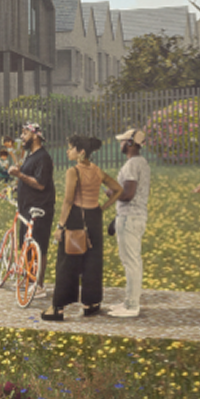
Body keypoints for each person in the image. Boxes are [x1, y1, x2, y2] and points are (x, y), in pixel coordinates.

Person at [41, 134, 122, 323]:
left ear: (81, 152)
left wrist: (60, 226)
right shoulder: (97, 170)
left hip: (77, 217)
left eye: (71, 148)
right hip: (94, 217)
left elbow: (68, 201)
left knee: (67, 262)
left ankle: (58, 308)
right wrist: (103, 207)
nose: (67, 151)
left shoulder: (73, 171)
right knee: (92, 261)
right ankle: (91, 304)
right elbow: (118, 189)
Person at [7, 121, 55, 296]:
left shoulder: (43, 157)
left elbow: (40, 184)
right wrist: (16, 186)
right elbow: (29, 178)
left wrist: (19, 175)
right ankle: (28, 280)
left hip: (40, 209)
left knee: (39, 247)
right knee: (26, 246)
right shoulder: (31, 156)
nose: (21, 137)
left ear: (35, 136)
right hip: (27, 208)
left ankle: (39, 285)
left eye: (25, 133)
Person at [108, 128, 151, 319]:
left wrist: (111, 192)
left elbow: (128, 194)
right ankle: (129, 301)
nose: (121, 144)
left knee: (131, 262)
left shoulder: (132, 164)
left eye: (123, 141)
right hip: (135, 216)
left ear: (130, 143)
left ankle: (132, 305)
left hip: (129, 217)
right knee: (132, 261)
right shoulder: (142, 163)